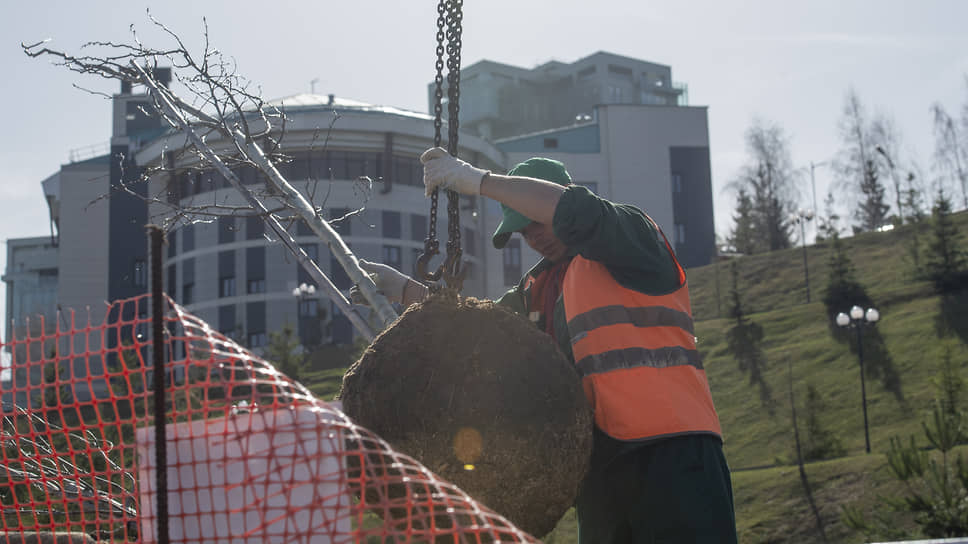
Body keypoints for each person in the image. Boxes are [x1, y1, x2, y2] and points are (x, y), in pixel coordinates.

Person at [360, 147, 738, 543]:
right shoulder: (535, 289)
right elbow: (475, 328)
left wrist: (478, 182)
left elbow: (577, 212)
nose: (534, 238)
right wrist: (405, 290)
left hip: (673, 454)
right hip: (599, 470)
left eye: (536, 222)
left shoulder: (632, 238)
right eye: (524, 232)